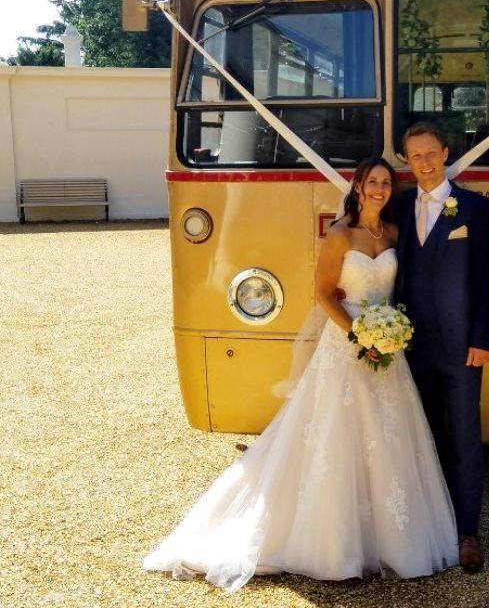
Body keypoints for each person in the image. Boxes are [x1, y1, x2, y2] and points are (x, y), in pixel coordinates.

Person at [143, 157, 458, 592]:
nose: (380, 189)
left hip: (387, 351)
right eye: (372, 182)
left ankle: (394, 540)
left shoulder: (393, 233)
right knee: (336, 436)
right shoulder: (340, 234)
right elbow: (324, 294)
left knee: (389, 439)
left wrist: (388, 334)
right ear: (358, 187)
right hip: (348, 346)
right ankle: (335, 549)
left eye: (386, 183)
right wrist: (359, 337)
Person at [395, 122, 489, 573]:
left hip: (462, 347)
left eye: (431, 153)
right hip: (409, 347)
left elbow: (486, 277)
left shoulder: (475, 208)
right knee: (421, 436)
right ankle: (428, 525)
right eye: (415, 156)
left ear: (445, 153)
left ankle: (467, 533)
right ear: (407, 161)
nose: (424, 162)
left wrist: (483, 338)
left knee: (463, 437)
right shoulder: (398, 206)